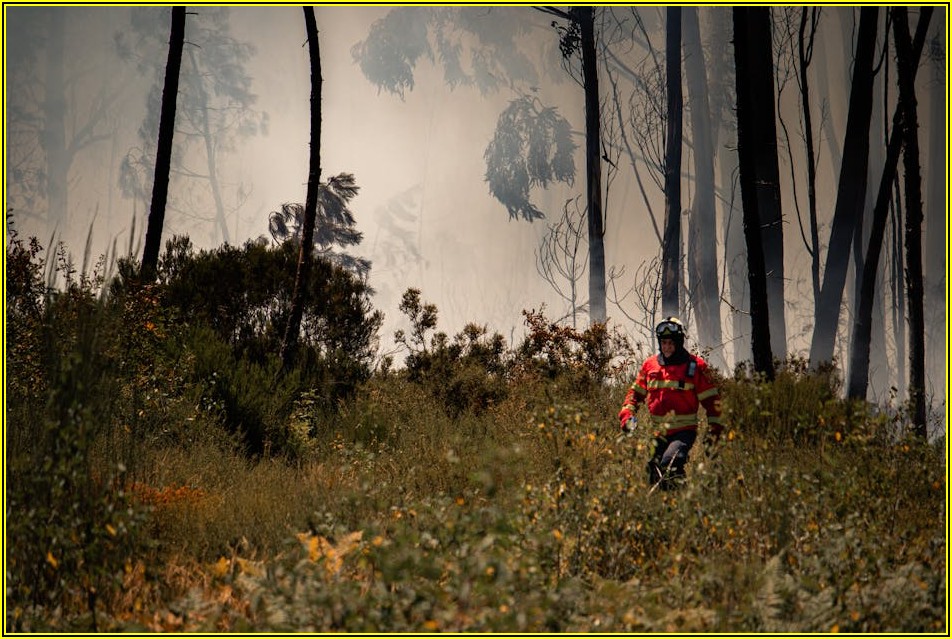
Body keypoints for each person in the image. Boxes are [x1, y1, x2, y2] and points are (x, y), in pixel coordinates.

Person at [618, 316, 725, 490]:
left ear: (679, 342)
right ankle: (672, 507)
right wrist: (627, 416)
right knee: (653, 472)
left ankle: (680, 504)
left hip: (683, 432)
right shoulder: (650, 365)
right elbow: (634, 395)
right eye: (663, 343)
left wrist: (715, 432)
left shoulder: (696, 366)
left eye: (670, 343)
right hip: (657, 433)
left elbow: (713, 402)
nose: (666, 347)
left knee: (670, 464)